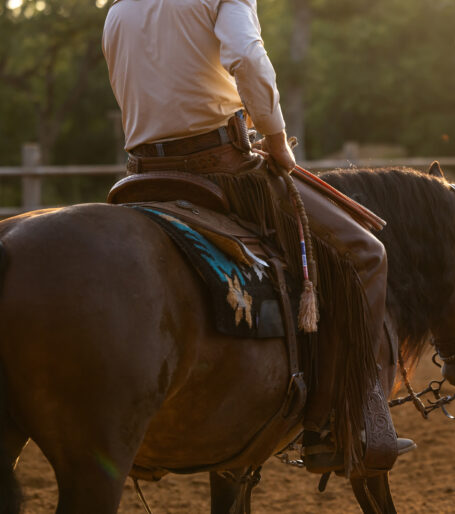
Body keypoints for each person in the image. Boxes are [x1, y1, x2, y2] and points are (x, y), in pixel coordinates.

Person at [102, 0, 413, 475]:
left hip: (140, 172)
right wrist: (275, 137)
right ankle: (334, 425)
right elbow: (246, 58)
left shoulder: (119, 8)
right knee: (366, 254)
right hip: (222, 168)